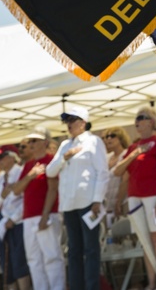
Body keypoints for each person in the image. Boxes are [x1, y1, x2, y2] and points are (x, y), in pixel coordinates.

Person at [46, 106, 110, 290]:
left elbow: (102, 173)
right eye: (67, 121)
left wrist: (97, 200)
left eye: (72, 120)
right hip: (69, 204)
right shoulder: (65, 146)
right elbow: (50, 171)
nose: (69, 125)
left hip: (88, 202)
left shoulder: (94, 142)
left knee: (91, 249)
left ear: (83, 123)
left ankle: (92, 287)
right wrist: (64, 158)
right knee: (73, 250)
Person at [113, 106, 156, 290]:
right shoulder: (133, 147)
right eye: (136, 118)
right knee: (145, 241)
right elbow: (118, 172)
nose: (137, 121)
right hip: (136, 199)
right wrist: (134, 154)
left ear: (151, 122)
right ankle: (151, 282)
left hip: (155, 197)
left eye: (142, 117)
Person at [11, 128, 63, 290]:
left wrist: (45, 215)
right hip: (28, 217)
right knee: (33, 259)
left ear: (45, 142)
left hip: (47, 214)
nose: (30, 144)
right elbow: (16, 190)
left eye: (34, 141)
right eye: (29, 141)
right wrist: (30, 176)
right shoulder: (28, 166)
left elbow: (53, 189)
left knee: (51, 256)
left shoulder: (52, 160)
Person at [0, 145, 30, 290]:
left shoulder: (21, 173)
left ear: (12, 157)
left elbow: (26, 200)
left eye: (1, 157)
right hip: (3, 226)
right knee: (7, 267)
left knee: (20, 263)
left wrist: (13, 219)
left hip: (18, 224)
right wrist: (2, 196)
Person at [102, 127, 130, 217]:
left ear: (121, 138)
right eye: (107, 137)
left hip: (123, 202)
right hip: (106, 205)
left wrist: (119, 202)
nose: (108, 139)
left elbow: (125, 181)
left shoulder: (127, 155)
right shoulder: (106, 158)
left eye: (112, 136)